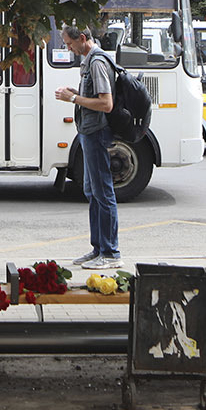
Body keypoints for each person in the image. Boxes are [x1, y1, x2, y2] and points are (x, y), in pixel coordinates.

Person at [54, 26, 120, 270]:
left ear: (82, 38)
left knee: (103, 193)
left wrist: (73, 99)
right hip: (88, 132)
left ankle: (111, 252)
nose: (68, 49)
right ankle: (98, 248)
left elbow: (106, 103)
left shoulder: (97, 62)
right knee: (92, 192)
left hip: (96, 133)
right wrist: (76, 93)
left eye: (69, 44)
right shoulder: (90, 61)